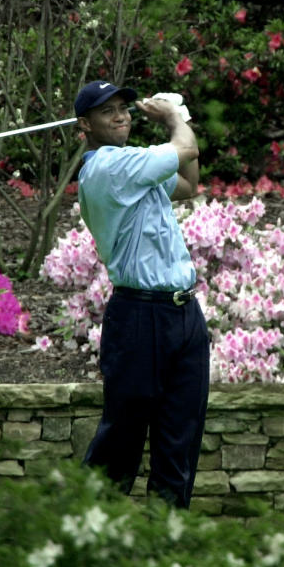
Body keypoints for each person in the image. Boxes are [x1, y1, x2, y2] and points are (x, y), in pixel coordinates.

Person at [74, 79, 210, 509]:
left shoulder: (135, 171)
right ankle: (83, 544)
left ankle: (164, 554)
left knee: (179, 442)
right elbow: (184, 150)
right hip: (139, 317)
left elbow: (188, 183)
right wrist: (174, 117)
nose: (121, 115)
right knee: (120, 444)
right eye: (107, 110)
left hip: (184, 314)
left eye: (123, 108)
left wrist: (179, 123)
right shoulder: (107, 168)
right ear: (85, 124)